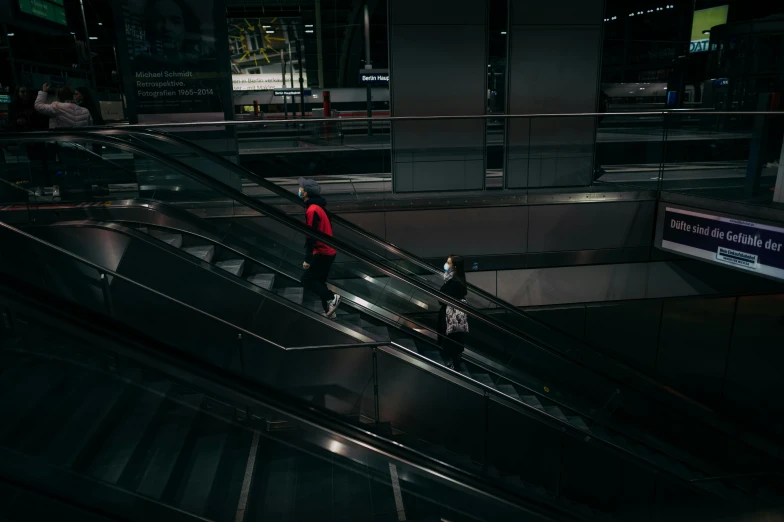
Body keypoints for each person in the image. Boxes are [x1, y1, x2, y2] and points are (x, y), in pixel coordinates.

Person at [34, 84, 93, 199]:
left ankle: (66, 194)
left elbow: (38, 106)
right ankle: (83, 194)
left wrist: (43, 92)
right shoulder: (85, 110)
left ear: (58, 96)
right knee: (79, 169)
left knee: (63, 169)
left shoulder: (57, 107)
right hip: (80, 146)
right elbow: (90, 129)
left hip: (62, 145)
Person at [299, 177, 341, 318]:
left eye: (301, 188)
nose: (299, 190)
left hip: (323, 252)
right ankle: (330, 311)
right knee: (319, 281)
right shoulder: (319, 207)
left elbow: (311, 235)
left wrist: (307, 258)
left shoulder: (312, 210)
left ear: (306, 193)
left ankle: (331, 298)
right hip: (328, 251)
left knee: (307, 279)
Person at [9, 85, 50, 195]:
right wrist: (17, 123)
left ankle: (43, 186)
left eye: (26, 92)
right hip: (23, 138)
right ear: (18, 93)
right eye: (22, 92)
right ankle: (36, 186)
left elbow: (42, 119)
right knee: (31, 164)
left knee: (41, 162)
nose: (25, 94)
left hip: (36, 136)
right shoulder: (13, 106)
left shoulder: (34, 104)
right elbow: (10, 122)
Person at [438, 255, 468, 370]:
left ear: (454, 267)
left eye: (448, 262)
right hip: (452, 318)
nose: (446, 264)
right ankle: (455, 364)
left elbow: (442, 299)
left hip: (451, 318)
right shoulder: (455, 280)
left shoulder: (455, 282)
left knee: (451, 343)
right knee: (453, 343)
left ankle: (454, 367)